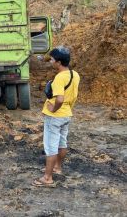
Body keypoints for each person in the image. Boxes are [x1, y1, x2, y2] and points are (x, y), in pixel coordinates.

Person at [33, 46, 80, 187]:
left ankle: (47, 178)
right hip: (66, 114)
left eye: (52, 60)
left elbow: (59, 99)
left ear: (59, 62)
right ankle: (57, 168)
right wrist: (67, 109)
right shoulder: (75, 74)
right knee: (62, 143)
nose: (51, 62)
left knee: (50, 147)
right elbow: (74, 96)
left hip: (55, 116)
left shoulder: (60, 78)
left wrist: (53, 108)